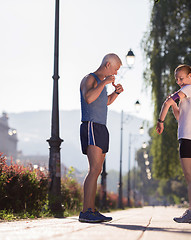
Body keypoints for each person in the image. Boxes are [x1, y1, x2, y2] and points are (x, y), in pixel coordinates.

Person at [156, 64, 191, 223]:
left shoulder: (190, 89)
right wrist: (173, 105)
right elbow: (179, 116)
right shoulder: (190, 94)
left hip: (188, 138)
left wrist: (160, 121)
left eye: (181, 78)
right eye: (177, 79)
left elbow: (167, 102)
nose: (179, 81)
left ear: (190, 76)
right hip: (190, 138)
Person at [79, 53, 124, 223]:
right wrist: (105, 82)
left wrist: (116, 93)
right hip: (91, 125)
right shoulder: (89, 79)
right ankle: (86, 211)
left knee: (97, 170)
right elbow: (89, 98)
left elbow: (104, 102)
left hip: (101, 127)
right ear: (107, 65)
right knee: (94, 168)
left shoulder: (102, 83)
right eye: (116, 69)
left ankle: (91, 209)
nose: (116, 73)